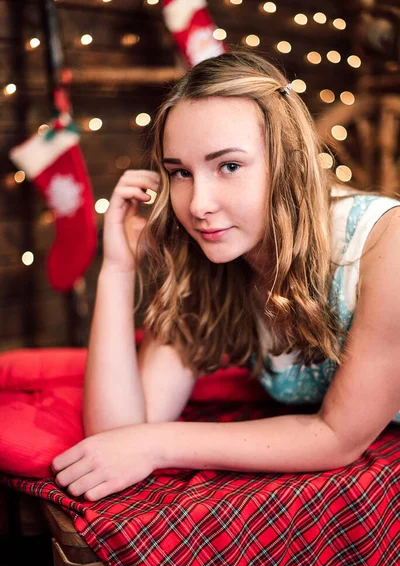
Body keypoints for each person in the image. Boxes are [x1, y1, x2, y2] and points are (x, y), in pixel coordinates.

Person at [51, 50, 400, 502]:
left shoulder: (383, 245)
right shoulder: (210, 259)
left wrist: (158, 444)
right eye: (180, 173)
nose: (198, 205)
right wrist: (118, 269)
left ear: (287, 161)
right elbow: (116, 434)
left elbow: (338, 436)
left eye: (229, 166)